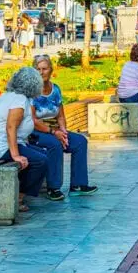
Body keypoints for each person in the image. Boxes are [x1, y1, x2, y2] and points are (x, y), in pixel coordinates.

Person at [29, 55, 98, 200]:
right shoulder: (31, 92)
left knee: (80, 141)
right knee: (55, 145)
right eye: (38, 69)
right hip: (36, 132)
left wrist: (64, 132)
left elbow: (60, 116)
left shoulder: (56, 90)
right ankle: (53, 188)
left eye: (45, 69)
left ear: (51, 70)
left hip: (55, 129)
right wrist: (55, 133)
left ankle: (78, 185)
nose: (41, 72)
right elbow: (33, 120)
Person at [0, 67, 48, 212]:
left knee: (43, 153)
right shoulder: (19, 100)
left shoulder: (11, 95)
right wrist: (16, 155)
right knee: (41, 160)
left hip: (2, 144)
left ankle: (19, 190)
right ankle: (18, 198)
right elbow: (11, 127)